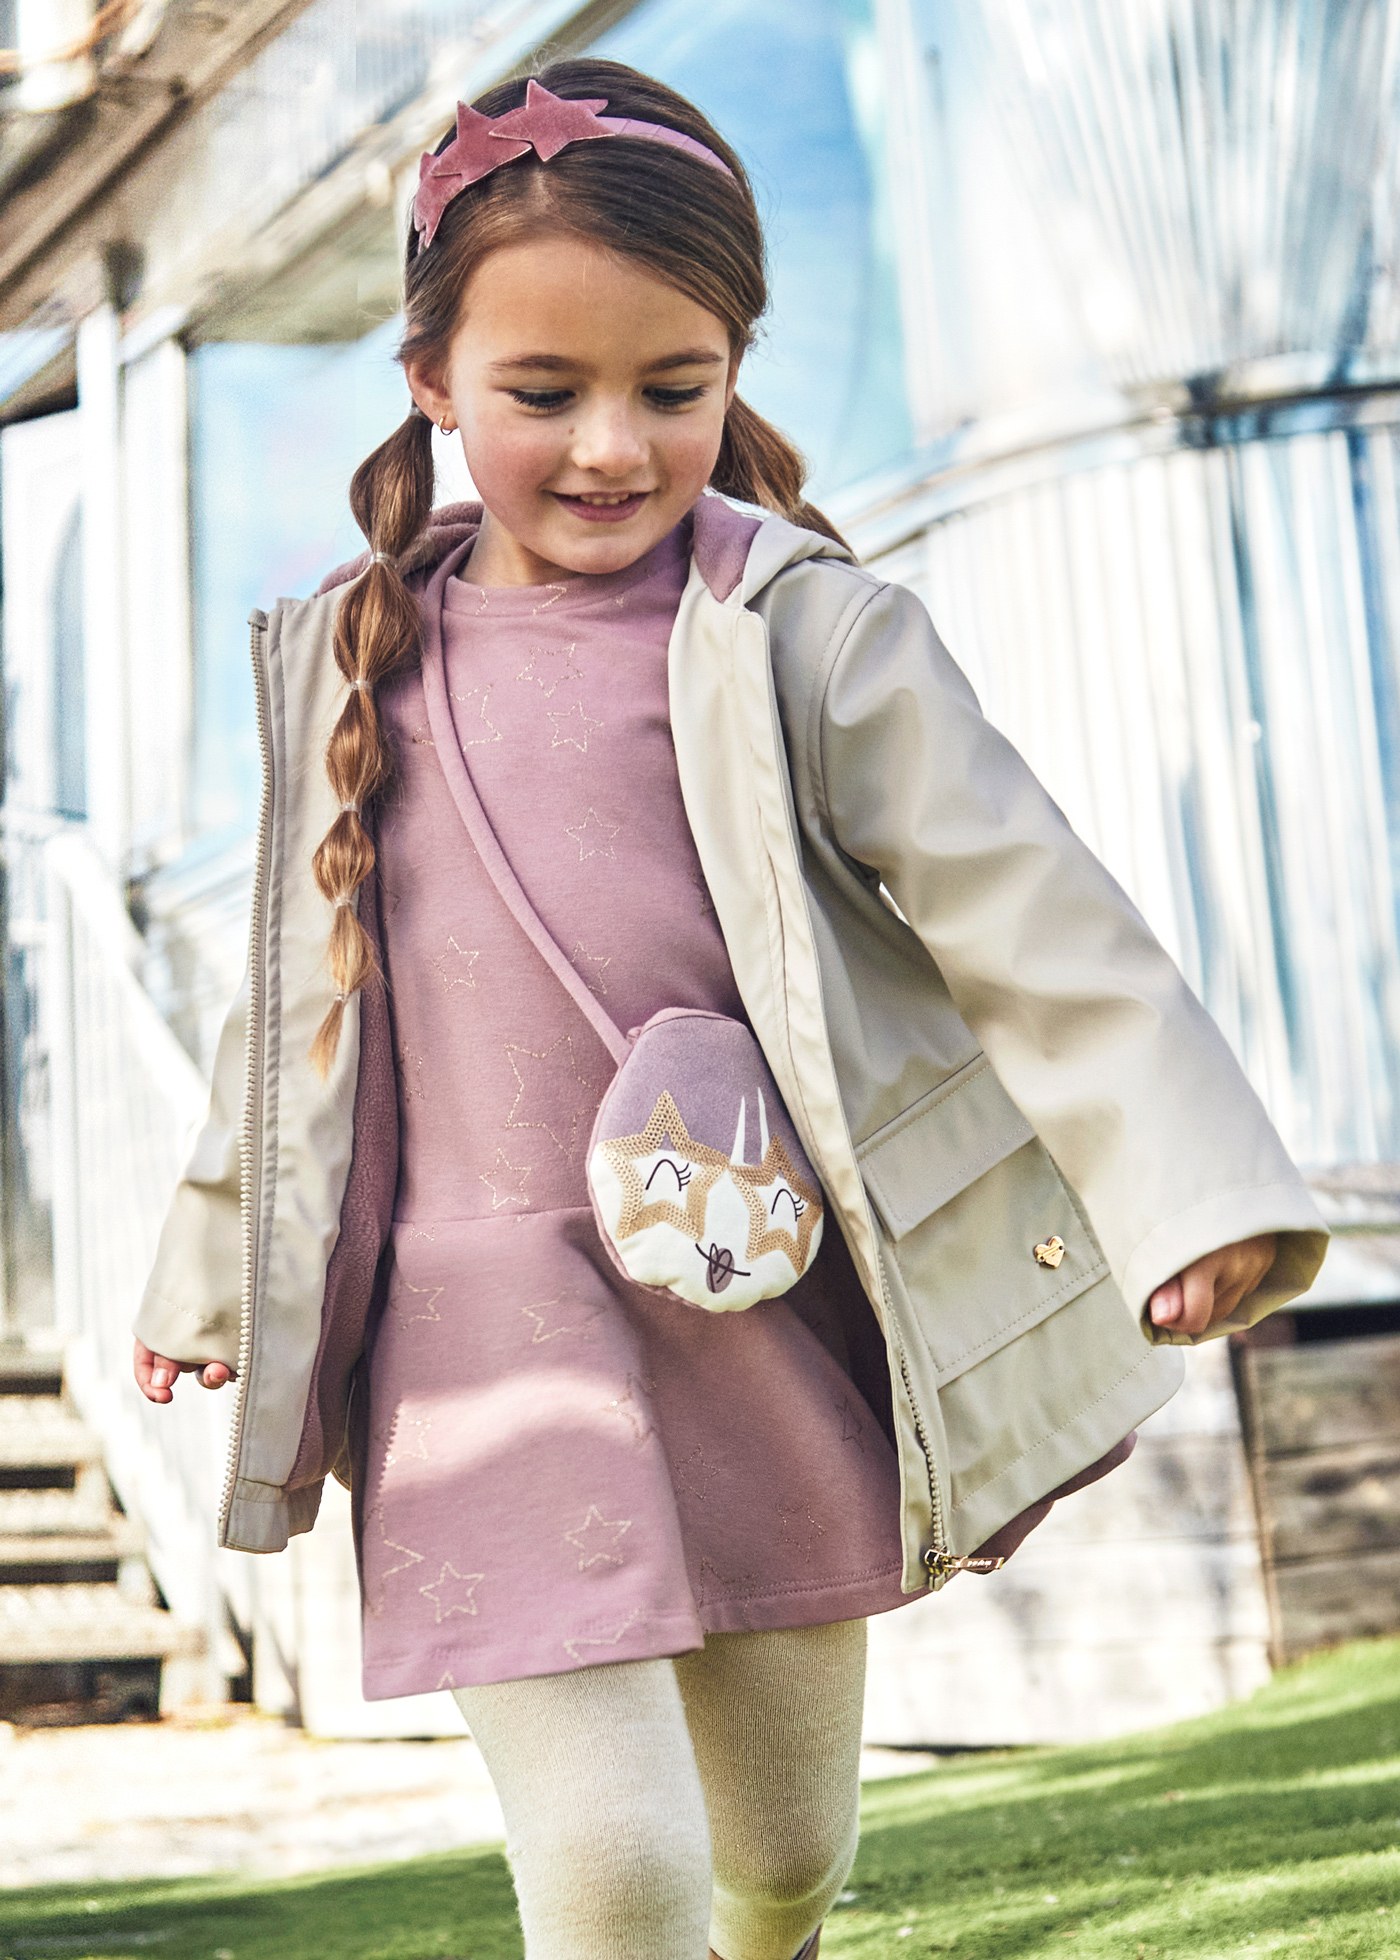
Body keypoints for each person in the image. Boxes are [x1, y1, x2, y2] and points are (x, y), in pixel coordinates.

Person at [130, 58, 1329, 1960]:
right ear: (429, 379)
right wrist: (215, 1267)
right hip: (473, 1342)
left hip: (744, 1305)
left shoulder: (802, 635)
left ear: (734, 371)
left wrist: (1191, 1188)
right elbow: (299, 1024)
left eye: (671, 391)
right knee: (614, 1872)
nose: (611, 444)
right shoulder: (353, 668)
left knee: (782, 1845)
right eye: (543, 393)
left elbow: (1032, 914)